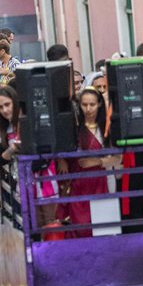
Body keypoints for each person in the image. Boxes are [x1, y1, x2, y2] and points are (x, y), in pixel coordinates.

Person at [61, 86, 120, 237]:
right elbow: (62, 151)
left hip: (104, 180)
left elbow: (117, 159)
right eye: (84, 104)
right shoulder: (73, 130)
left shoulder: (107, 129)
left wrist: (97, 161)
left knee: (105, 228)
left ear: (99, 104)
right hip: (79, 184)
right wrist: (61, 159)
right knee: (81, 227)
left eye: (92, 104)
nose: (88, 109)